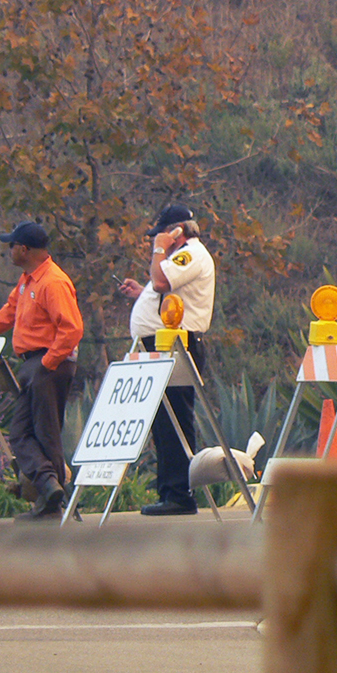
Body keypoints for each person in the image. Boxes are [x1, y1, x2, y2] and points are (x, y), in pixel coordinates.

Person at [0, 220, 84, 522]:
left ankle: (55, 504)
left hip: (49, 362)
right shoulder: (27, 281)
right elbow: (9, 312)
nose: (9, 251)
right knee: (21, 432)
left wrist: (48, 363)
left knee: (46, 433)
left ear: (24, 249)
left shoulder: (52, 282)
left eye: (12, 245)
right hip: (34, 363)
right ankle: (49, 486)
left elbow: (72, 328)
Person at [119, 203, 215, 516]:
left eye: (161, 234)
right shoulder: (179, 257)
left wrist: (159, 251)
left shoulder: (191, 253)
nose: (156, 241)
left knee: (174, 418)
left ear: (177, 231)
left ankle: (179, 493)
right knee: (163, 421)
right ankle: (168, 491)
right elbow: (163, 291)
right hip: (162, 343)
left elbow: (162, 282)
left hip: (177, 344)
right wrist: (141, 295)